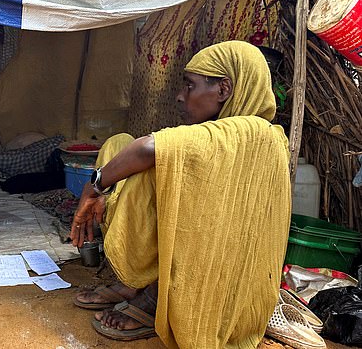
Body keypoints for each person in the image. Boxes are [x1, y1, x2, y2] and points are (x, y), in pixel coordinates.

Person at [70, 41, 291, 347]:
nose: (179, 95)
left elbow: (150, 148)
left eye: (190, 86)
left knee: (144, 166)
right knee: (117, 145)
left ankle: (155, 295)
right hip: (200, 241)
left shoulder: (254, 133)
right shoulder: (227, 132)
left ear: (224, 90)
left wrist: (93, 187)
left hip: (215, 265)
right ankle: (132, 284)